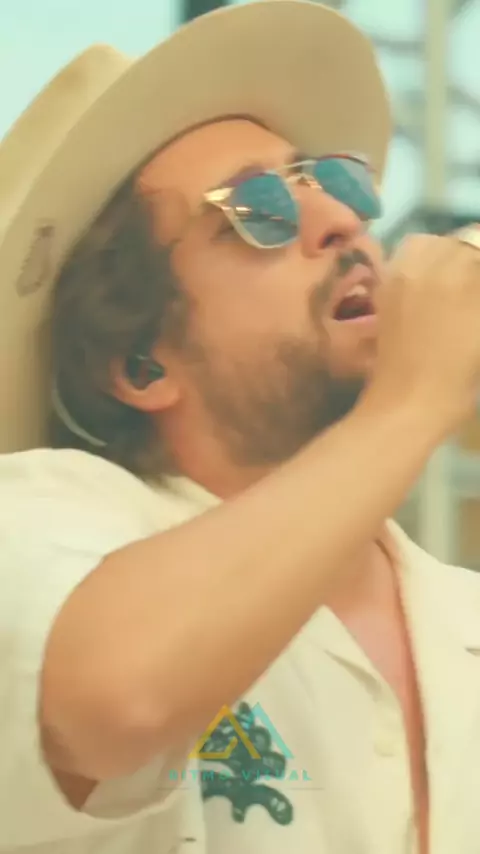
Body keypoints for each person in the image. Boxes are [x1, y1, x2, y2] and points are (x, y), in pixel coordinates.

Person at [2, 2, 480, 852]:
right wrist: (411, 402)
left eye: (333, 183)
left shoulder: (462, 613)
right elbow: (115, 701)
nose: (342, 222)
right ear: (142, 365)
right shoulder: (42, 521)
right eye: (258, 211)